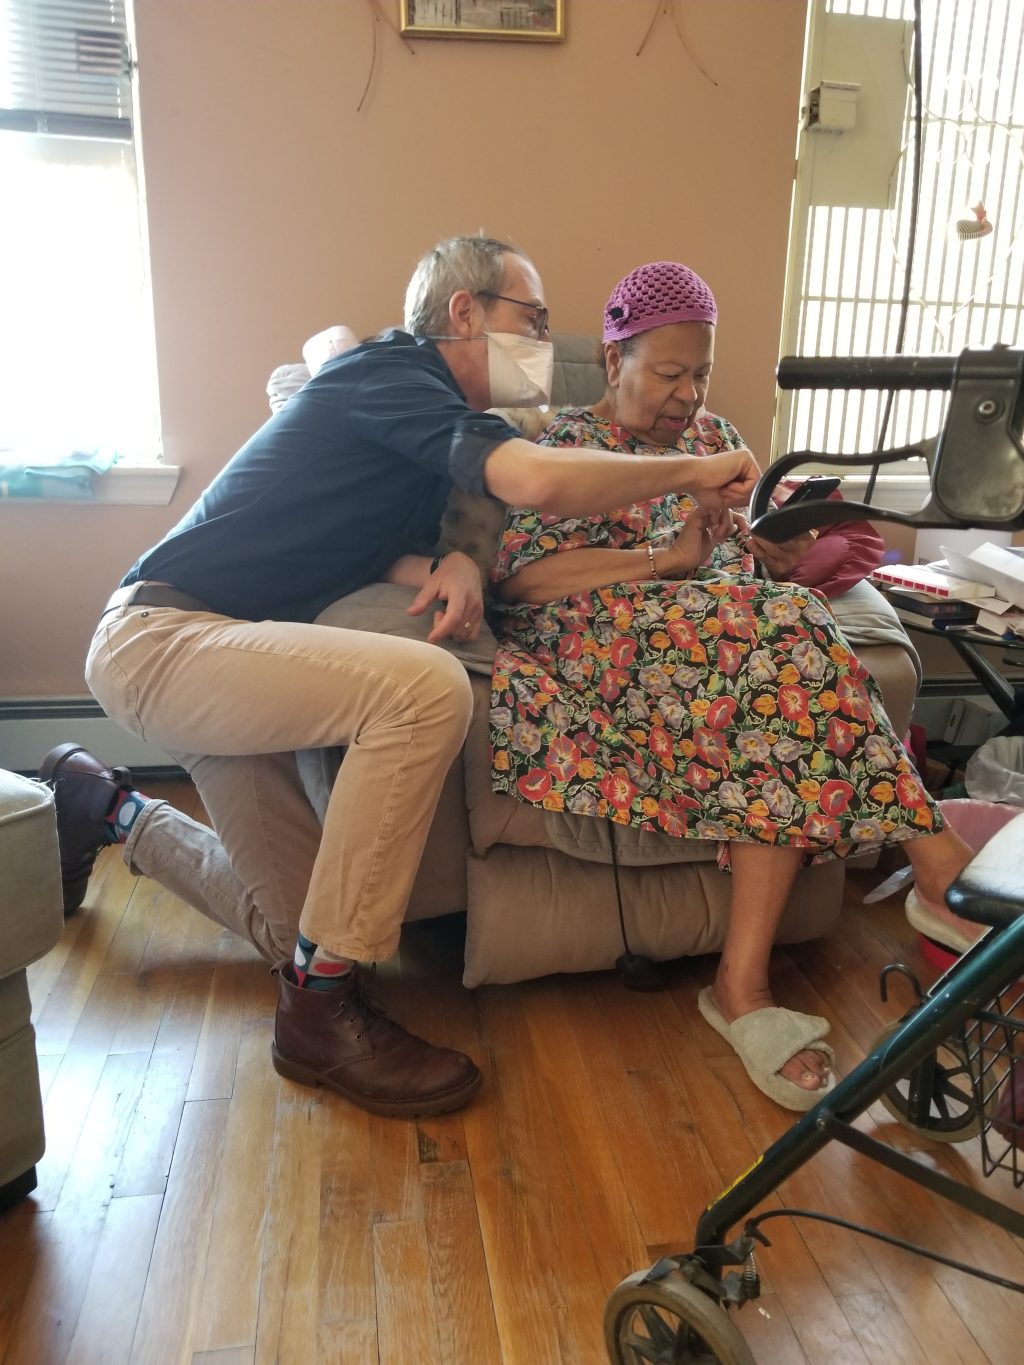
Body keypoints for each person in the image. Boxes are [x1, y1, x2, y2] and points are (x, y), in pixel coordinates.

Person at [41, 235, 761, 1120]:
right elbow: (526, 476)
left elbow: (461, 513)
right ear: (464, 313)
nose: (544, 341)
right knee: (424, 692)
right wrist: (696, 468)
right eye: (531, 319)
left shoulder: (442, 436)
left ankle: (103, 806)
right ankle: (318, 1020)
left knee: (300, 929)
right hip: (164, 633)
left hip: (237, 653)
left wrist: (460, 556)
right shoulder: (393, 371)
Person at [487, 259, 980, 1111]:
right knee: (788, 638)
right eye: (670, 373)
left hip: (726, 643)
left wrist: (767, 550)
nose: (689, 394)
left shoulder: (716, 441)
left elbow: (737, 561)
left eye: (702, 372)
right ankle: (936, 869)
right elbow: (523, 584)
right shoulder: (561, 444)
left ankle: (743, 982)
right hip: (599, 643)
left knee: (782, 666)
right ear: (614, 362)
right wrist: (664, 560)